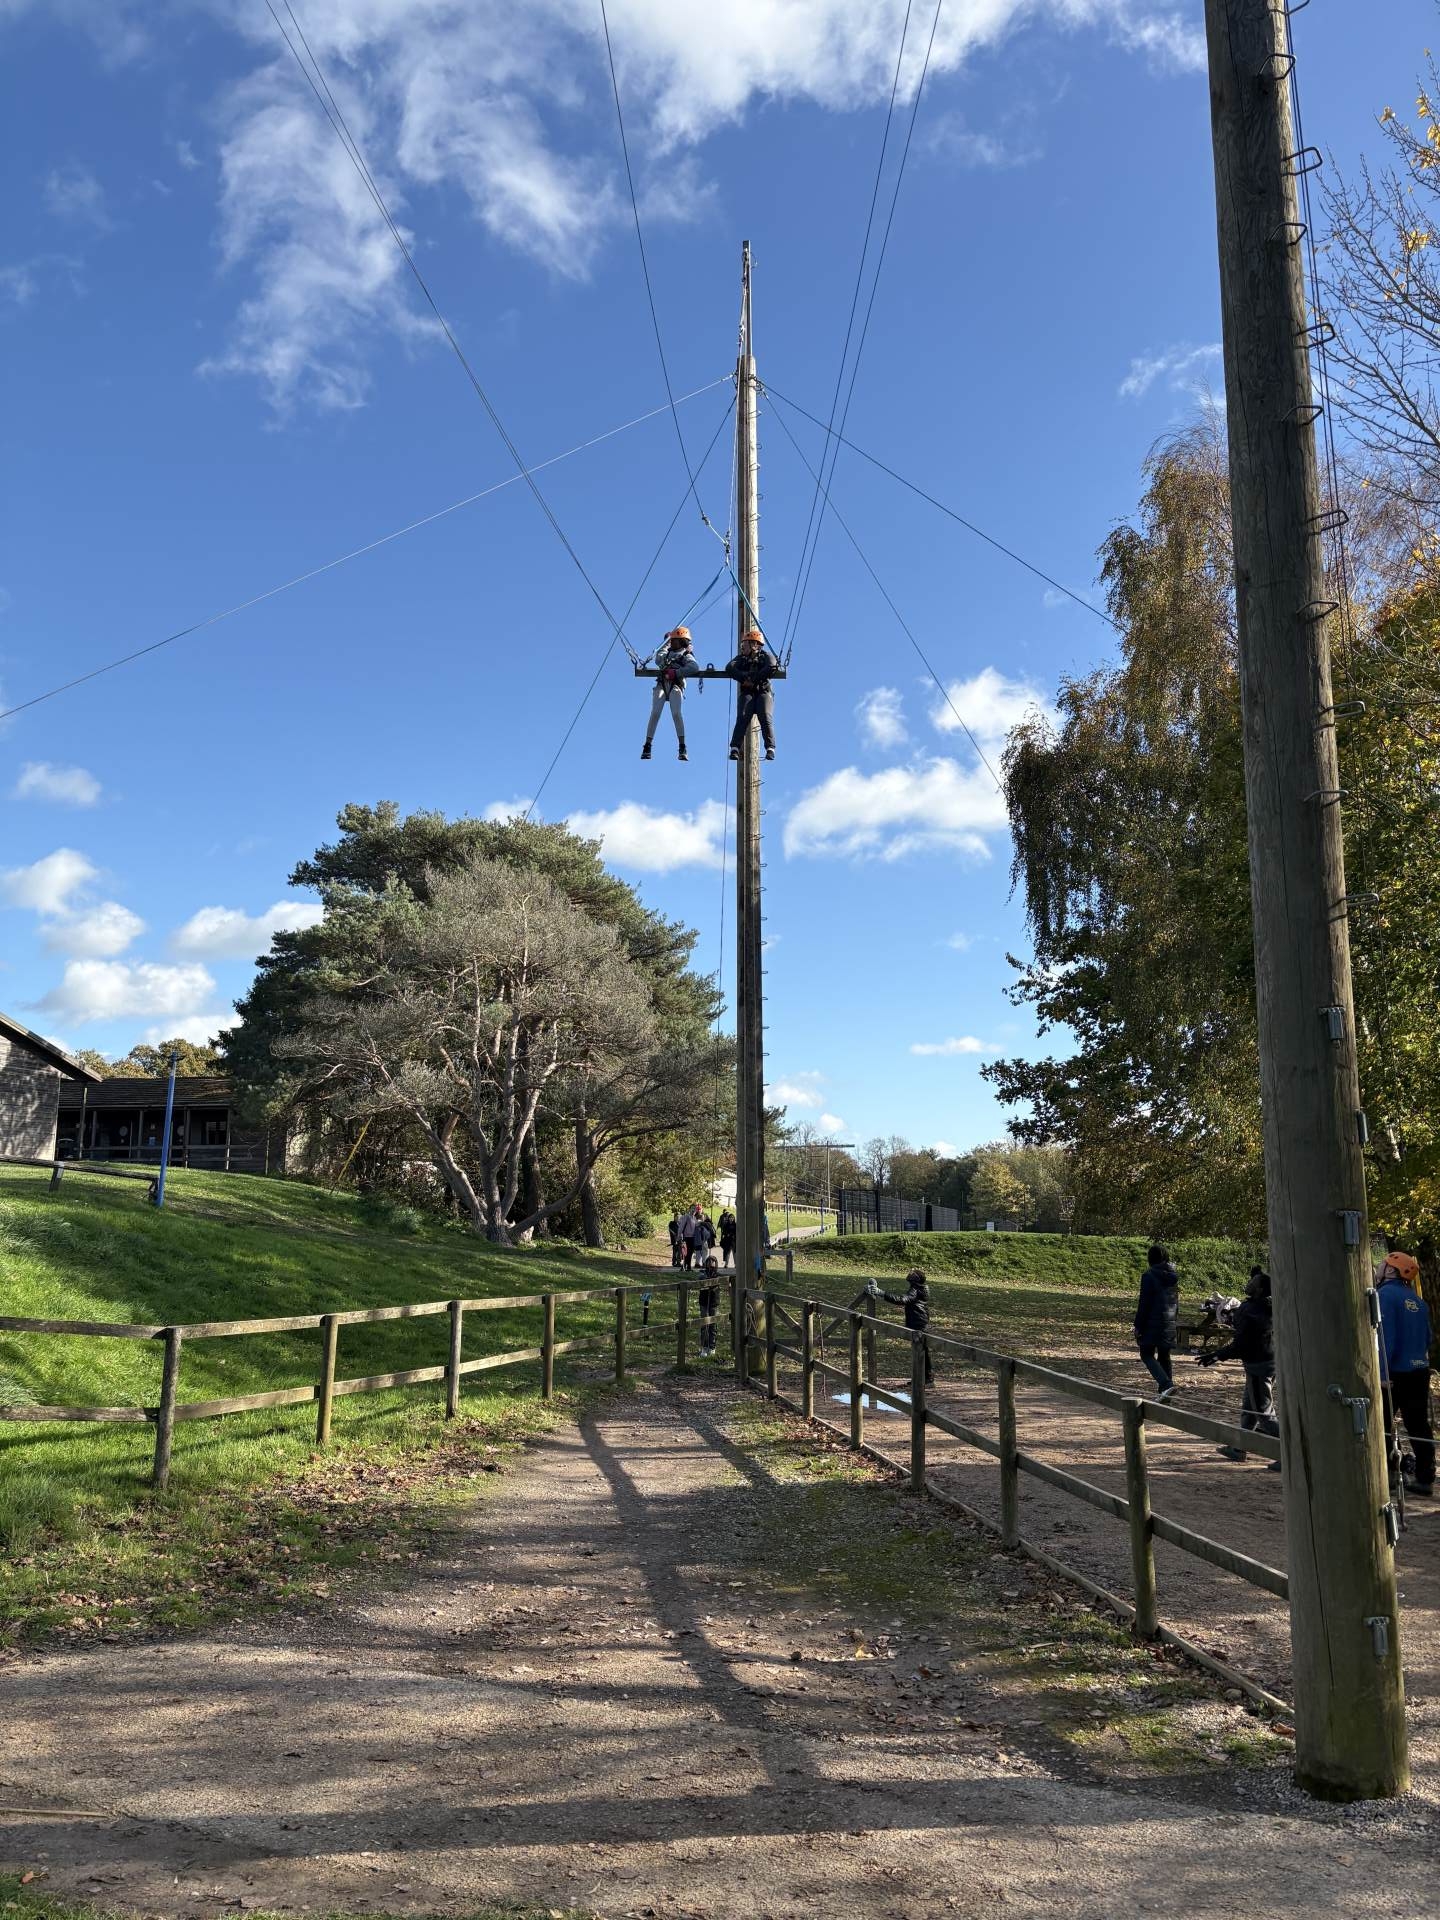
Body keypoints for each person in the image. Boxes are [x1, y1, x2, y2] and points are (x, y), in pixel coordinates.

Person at [1199, 1266, 1280, 1467]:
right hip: (1269, 1361)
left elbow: (1240, 1345)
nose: (1249, 1282)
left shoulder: (1250, 1311)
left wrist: (1216, 1355)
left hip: (1258, 1366)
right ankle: (1239, 1447)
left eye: (1253, 1282)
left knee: (1264, 1414)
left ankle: (1289, 1455)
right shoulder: (1268, 1305)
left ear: (1259, 1290)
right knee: (1250, 1407)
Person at [1378, 1250, 1435, 1499]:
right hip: (1419, 1371)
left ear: (1391, 1270)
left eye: (1382, 1264)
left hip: (1394, 1374)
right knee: (1419, 1425)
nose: (1378, 1268)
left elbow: (1385, 1338)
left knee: (1382, 1425)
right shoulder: (1419, 1302)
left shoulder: (1384, 1295)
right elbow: (1428, 1338)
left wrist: (1381, 1372)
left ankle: (1390, 1474)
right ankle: (1425, 1478)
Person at [868, 1268, 933, 1387]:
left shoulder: (915, 1290)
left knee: (921, 1352)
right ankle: (922, 1379)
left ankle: (928, 1380)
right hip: (920, 1322)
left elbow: (902, 1299)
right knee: (921, 1351)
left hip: (918, 1324)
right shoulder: (920, 1289)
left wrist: (882, 1293)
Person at [641, 626, 697, 761]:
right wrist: (665, 644)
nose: (672, 642)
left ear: (681, 641)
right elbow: (658, 660)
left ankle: (682, 746)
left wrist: (676, 673)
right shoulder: (666, 653)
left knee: (676, 713)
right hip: (662, 684)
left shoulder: (686, 655)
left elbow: (694, 667)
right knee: (655, 712)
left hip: (676, 685)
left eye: (674, 640)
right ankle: (647, 745)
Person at [1134, 1244, 1180, 1402]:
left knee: (1146, 1354)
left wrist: (1138, 1325)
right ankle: (1166, 1394)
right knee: (1164, 1355)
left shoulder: (1149, 1276)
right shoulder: (1173, 1277)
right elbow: (1175, 1302)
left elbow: (1144, 1303)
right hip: (1169, 1321)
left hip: (1152, 1322)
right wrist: (1173, 1321)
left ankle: (1166, 1385)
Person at [725, 627, 779, 762]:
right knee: (743, 716)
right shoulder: (742, 659)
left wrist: (753, 679)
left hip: (763, 691)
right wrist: (744, 678)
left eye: (745, 644)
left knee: (765, 715)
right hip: (748, 692)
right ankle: (735, 747)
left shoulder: (765, 656)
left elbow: (771, 666)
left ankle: (770, 748)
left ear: (754, 645)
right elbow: (730, 667)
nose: (742, 647)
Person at [698, 1253, 722, 1359]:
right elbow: (700, 1278)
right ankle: (704, 1347)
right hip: (704, 1302)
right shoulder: (702, 1273)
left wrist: (713, 1280)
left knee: (713, 1325)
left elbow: (720, 1281)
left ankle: (712, 1347)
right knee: (704, 1324)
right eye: (709, 1261)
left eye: (713, 1261)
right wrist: (706, 1279)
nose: (710, 1263)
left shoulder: (717, 1275)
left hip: (713, 1302)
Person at [718, 1207, 737, 1271]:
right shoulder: (726, 1225)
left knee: (734, 1253)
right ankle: (726, 1264)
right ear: (728, 1218)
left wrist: (733, 1235)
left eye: (732, 1218)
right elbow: (724, 1232)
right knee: (727, 1253)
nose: (731, 1219)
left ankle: (736, 1264)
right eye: (730, 1218)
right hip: (727, 1241)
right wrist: (727, 1234)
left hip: (733, 1241)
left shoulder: (735, 1225)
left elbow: (737, 1232)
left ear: (734, 1218)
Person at [680, 1205, 698, 1270]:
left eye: (695, 1209)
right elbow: (681, 1226)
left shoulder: (694, 1218)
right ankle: (686, 1266)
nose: (693, 1210)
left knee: (690, 1253)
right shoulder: (686, 1217)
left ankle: (688, 1266)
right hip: (686, 1237)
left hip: (692, 1238)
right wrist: (679, 1235)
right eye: (692, 1208)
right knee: (686, 1253)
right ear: (689, 1209)